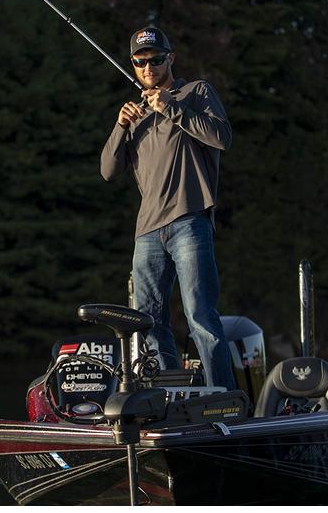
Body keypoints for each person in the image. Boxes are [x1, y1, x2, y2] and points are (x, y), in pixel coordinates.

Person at [100, 27, 236, 390]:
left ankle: (224, 397)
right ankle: (169, 396)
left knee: (200, 315)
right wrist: (120, 125)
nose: (148, 67)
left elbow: (221, 138)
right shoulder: (135, 113)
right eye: (140, 62)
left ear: (170, 59)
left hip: (190, 220)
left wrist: (171, 108)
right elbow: (108, 171)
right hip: (147, 231)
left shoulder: (196, 92)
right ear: (133, 65)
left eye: (156, 59)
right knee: (148, 320)